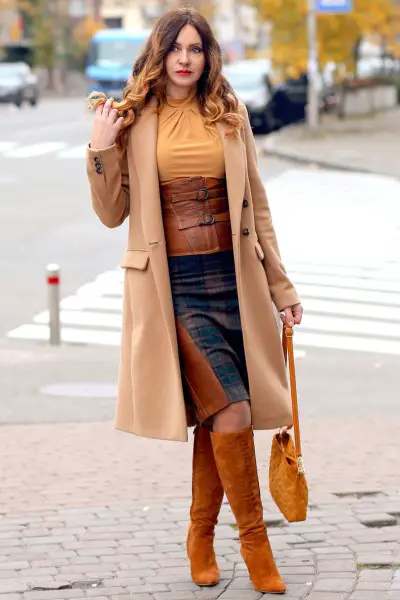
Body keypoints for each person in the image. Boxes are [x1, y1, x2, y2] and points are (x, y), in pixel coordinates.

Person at [86, 7, 303, 595]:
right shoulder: (134, 120)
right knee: (232, 409)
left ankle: (199, 533)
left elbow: (258, 209)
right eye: (176, 48)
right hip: (174, 291)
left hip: (235, 284)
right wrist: (101, 149)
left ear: (208, 56)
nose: (186, 58)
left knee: (219, 415)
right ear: (160, 54)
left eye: (196, 48)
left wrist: (281, 287)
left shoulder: (229, 117)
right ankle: (254, 542)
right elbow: (111, 214)